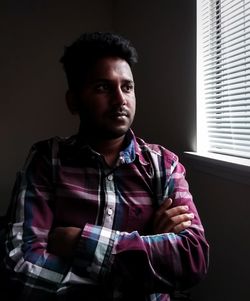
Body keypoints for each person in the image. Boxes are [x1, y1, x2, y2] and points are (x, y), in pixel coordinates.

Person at [2, 32, 209, 301]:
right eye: (103, 87)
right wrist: (145, 254)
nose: (120, 99)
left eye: (127, 87)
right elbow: (20, 266)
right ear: (73, 101)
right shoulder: (47, 160)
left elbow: (192, 258)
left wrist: (78, 242)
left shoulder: (164, 165)